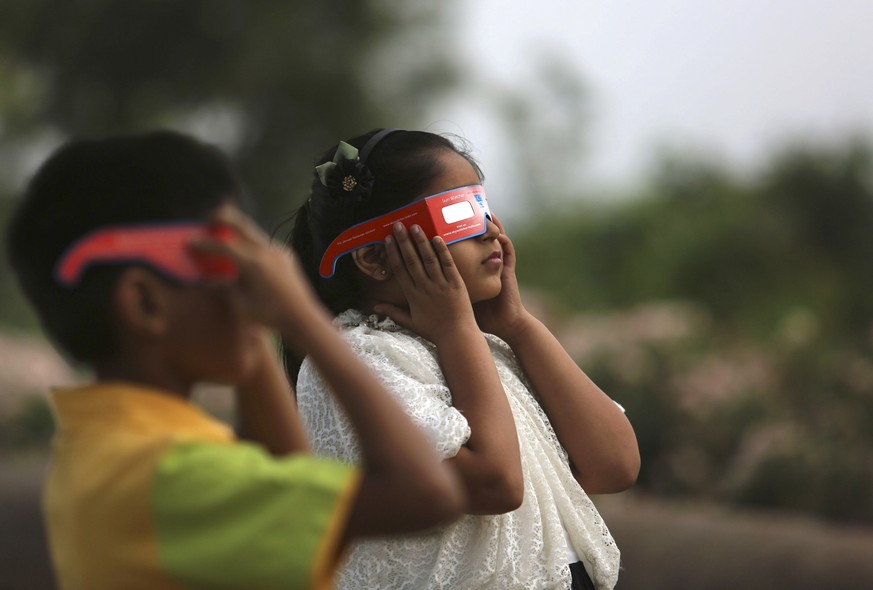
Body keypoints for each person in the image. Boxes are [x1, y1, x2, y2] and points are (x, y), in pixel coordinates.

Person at [4, 130, 466, 590]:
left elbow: (286, 475)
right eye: (229, 266)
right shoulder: (177, 477)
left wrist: (257, 326)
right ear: (145, 304)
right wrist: (300, 317)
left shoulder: (105, 446)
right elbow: (426, 495)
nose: (254, 286)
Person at [285, 128, 641, 590]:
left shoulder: (489, 345)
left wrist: (517, 325)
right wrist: (457, 330)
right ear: (374, 257)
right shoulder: (351, 360)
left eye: (485, 208)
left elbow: (615, 465)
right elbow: (496, 484)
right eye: (459, 215)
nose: (492, 231)